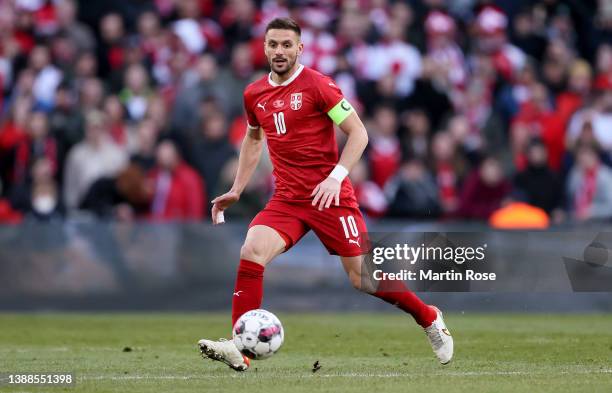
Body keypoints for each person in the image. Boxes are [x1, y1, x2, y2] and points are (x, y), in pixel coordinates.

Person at [198, 18, 453, 372]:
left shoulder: (318, 85)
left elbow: (359, 133)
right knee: (252, 249)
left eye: (287, 44)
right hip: (288, 198)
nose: (280, 51)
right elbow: (254, 139)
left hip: (330, 197)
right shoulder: (254, 93)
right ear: (266, 48)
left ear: (299, 48)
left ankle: (428, 316)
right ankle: (239, 348)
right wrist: (237, 189)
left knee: (363, 278)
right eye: (273, 44)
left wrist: (336, 178)